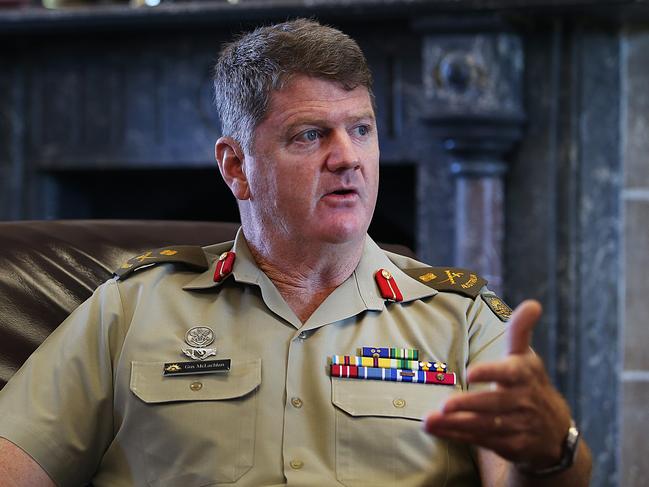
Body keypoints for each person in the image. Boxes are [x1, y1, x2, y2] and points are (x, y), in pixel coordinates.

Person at [0, 19, 591, 487]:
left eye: (361, 130)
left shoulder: (460, 321)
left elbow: (527, 474)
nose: (347, 158)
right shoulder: (129, 310)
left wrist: (551, 453)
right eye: (310, 135)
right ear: (236, 167)